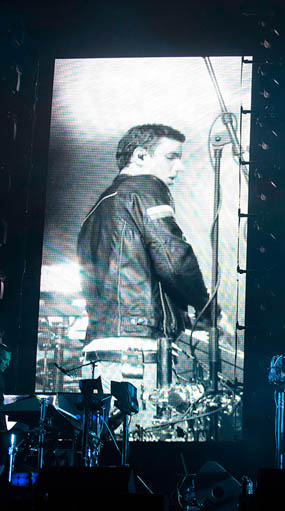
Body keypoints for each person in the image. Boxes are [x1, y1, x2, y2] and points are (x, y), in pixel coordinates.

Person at [77, 124, 214, 431]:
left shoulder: (97, 209)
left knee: (102, 457)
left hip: (99, 351)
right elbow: (173, 257)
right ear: (140, 156)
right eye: (171, 156)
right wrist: (207, 309)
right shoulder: (144, 187)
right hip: (138, 352)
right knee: (143, 452)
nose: (179, 166)